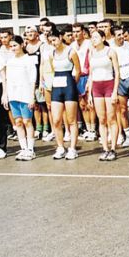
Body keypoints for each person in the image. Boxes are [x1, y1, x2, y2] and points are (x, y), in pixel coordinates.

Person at [87, 30, 121, 160]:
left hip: (109, 85)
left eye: (96, 37)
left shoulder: (110, 51)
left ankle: (113, 149)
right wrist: (89, 94)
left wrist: (115, 91)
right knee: (101, 119)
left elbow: (117, 72)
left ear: (103, 38)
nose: (93, 39)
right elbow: (91, 74)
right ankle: (105, 149)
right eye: (92, 37)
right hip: (96, 87)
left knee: (111, 118)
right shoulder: (91, 53)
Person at [47, 30, 81, 160]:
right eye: (50, 41)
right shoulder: (51, 54)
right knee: (56, 120)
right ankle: (60, 147)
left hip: (69, 86)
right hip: (57, 86)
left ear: (60, 37)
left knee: (71, 120)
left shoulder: (71, 52)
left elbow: (78, 70)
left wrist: (72, 83)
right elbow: (53, 69)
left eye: (54, 40)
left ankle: (72, 148)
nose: (53, 43)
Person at [5, 36, 38, 161]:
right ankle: (23, 148)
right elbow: (7, 79)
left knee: (27, 121)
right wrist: (6, 95)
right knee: (18, 122)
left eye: (15, 45)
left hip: (25, 95)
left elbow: (32, 79)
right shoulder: (10, 61)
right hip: (13, 95)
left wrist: (32, 97)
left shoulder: (28, 60)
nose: (13, 48)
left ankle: (30, 149)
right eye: (11, 46)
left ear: (22, 45)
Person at [113, 26, 129, 148]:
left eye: (122, 34)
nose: (122, 37)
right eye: (119, 35)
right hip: (120, 80)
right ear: (113, 36)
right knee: (122, 110)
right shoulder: (111, 49)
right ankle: (128, 135)